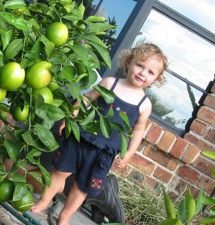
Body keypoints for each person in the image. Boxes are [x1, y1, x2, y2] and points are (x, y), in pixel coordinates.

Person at [30, 42, 168, 225]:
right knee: (59, 172)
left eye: (151, 72)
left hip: (104, 152)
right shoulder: (110, 83)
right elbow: (86, 99)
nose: (143, 73)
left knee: (83, 186)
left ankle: (65, 216)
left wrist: (128, 154)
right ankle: (44, 201)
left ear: (156, 79)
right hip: (81, 138)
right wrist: (69, 118)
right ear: (129, 62)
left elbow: (138, 131)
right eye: (140, 65)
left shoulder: (144, 104)